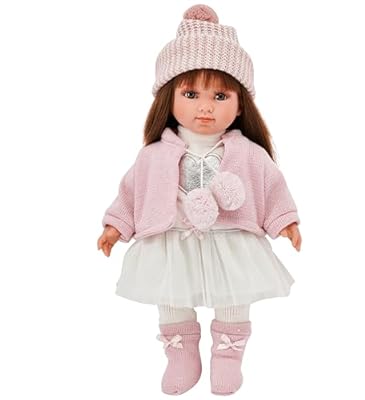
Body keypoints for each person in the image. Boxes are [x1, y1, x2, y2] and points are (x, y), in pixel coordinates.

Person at [97, 4, 302, 396]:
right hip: (172, 238)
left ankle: (228, 355)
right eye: (191, 94)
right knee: (171, 296)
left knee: (235, 297)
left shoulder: (249, 153)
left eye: (220, 95)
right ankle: (180, 354)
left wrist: (285, 221)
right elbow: (132, 191)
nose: (205, 107)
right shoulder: (154, 154)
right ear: (168, 98)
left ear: (240, 104)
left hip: (232, 238)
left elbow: (272, 187)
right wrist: (116, 226)